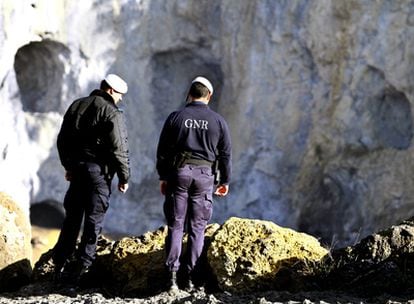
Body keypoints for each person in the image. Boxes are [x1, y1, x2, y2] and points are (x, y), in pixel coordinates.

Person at [52, 74, 131, 283]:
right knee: (93, 221)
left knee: (71, 220)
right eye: (120, 95)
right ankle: (81, 271)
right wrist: (124, 177)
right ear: (112, 91)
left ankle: (58, 266)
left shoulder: (77, 105)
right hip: (99, 174)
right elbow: (119, 149)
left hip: (77, 171)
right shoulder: (112, 112)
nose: (121, 99)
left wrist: (68, 166)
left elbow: (62, 140)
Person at [156, 76, 232, 290]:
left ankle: (171, 277)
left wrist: (163, 176)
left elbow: (163, 151)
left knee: (176, 224)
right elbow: (225, 154)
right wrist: (225, 180)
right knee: (198, 227)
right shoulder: (218, 121)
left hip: (178, 174)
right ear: (209, 96)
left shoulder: (176, 117)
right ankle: (190, 278)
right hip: (205, 175)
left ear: (189, 94)